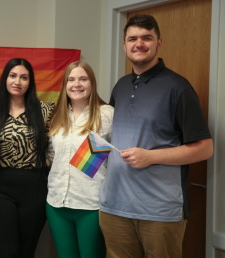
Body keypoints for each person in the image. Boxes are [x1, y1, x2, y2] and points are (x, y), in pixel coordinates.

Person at [99, 14, 213, 258]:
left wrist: (150, 157)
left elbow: (205, 148)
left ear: (158, 42)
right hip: (114, 208)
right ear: (124, 45)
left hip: (159, 212)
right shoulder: (121, 86)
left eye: (146, 38)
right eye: (132, 38)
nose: (139, 43)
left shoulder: (178, 87)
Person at [0, 58, 54, 258]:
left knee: (26, 253)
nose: (17, 81)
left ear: (30, 82)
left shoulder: (46, 111)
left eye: (24, 77)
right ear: (5, 78)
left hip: (35, 187)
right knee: (5, 252)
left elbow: (55, 149)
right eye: (13, 76)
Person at [46, 61, 112, 258]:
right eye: (71, 79)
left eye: (83, 79)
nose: (77, 84)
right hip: (57, 204)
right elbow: (51, 154)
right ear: (65, 85)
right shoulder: (57, 115)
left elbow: (119, 156)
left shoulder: (107, 114)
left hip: (91, 205)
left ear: (92, 83)